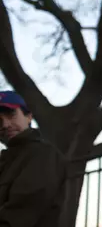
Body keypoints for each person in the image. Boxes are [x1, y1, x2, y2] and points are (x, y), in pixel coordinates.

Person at [0, 91, 67, 227]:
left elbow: (19, 215)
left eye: (11, 114)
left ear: (29, 117)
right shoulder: (6, 160)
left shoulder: (43, 154)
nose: (5, 124)